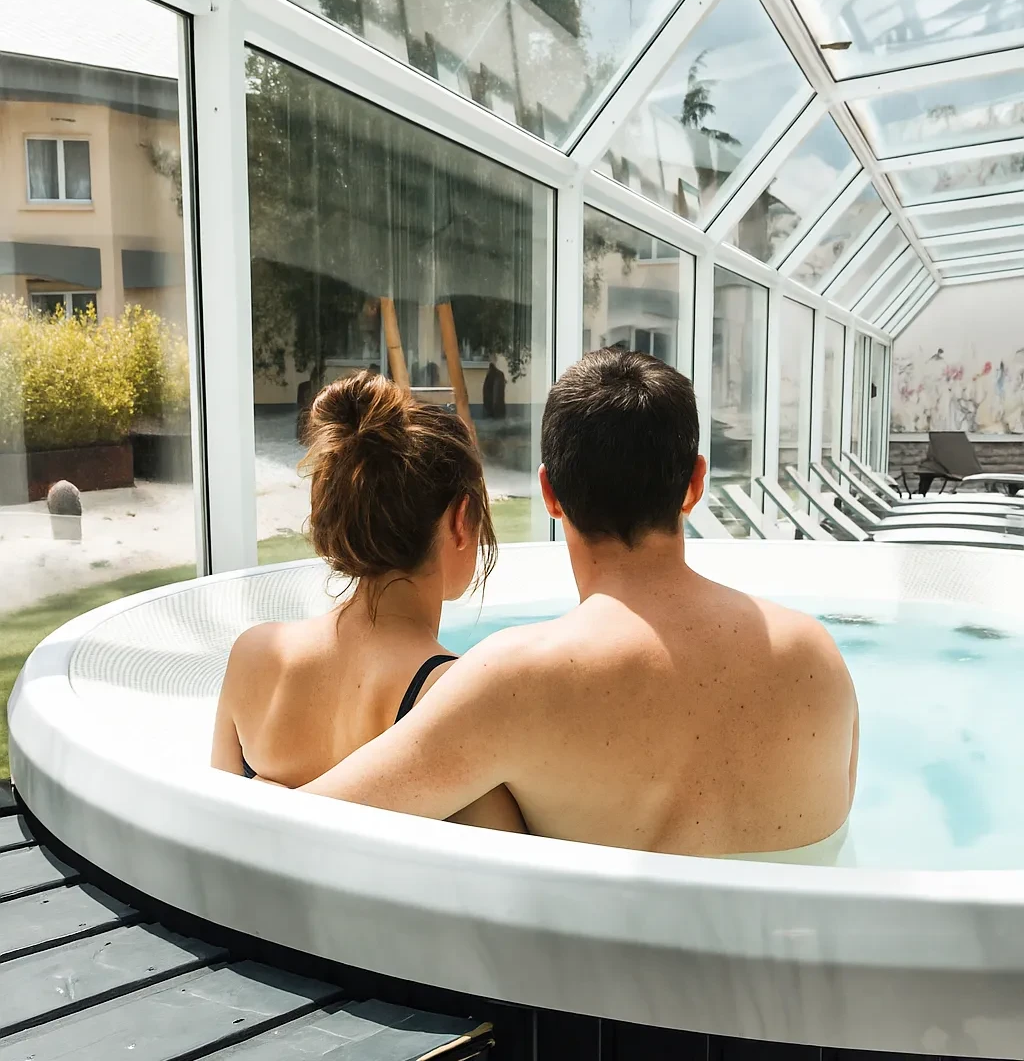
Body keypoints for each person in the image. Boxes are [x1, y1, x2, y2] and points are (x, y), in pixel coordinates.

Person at [303, 350, 859, 862]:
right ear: (695, 484)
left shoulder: (515, 680)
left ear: (549, 493)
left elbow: (304, 823)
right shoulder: (816, 659)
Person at [212, 371, 524, 832]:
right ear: (461, 520)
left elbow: (220, 828)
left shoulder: (254, 654)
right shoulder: (452, 697)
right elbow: (509, 859)